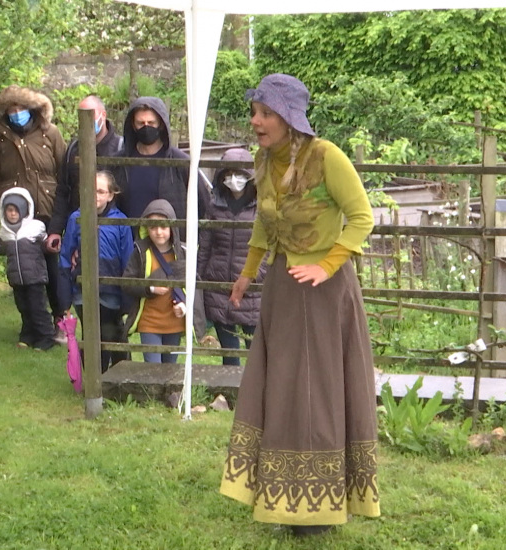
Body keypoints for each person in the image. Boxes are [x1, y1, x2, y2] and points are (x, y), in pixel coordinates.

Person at [219, 74, 380, 535]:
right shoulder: (264, 160)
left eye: (265, 113)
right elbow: (263, 227)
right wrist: (247, 275)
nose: (256, 121)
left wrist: (326, 267)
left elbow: (362, 217)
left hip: (325, 292)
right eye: (255, 112)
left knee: (318, 394)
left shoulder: (326, 156)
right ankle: (284, 494)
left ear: (289, 118)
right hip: (285, 291)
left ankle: (319, 509)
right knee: (285, 390)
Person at [0, 85, 67, 342]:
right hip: (16, 216)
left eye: (21, 108)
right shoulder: (0, 139)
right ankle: (31, 325)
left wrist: (67, 214)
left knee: (53, 269)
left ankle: (60, 319)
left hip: (47, 211)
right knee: (24, 271)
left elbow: (64, 173)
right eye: (11, 109)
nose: (16, 113)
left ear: (32, 108)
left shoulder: (50, 133)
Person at [59, 171, 133, 371]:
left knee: (112, 333)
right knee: (90, 335)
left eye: (100, 191)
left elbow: (128, 262)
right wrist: (65, 298)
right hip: (83, 291)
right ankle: (95, 379)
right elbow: (65, 258)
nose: (95, 196)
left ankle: (118, 377)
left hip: (112, 293)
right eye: (91, 190)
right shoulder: (76, 218)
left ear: (111, 195)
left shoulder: (121, 222)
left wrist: (127, 299)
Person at [197, 148, 265, 366]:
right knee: (229, 351)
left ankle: (258, 394)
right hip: (218, 287)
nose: (233, 179)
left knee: (256, 350)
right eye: (228, 174)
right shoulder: (214, 206)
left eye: (239, 174)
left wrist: (257, 275)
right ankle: (230, 393)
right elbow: (205, 245)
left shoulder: (263, 207)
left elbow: (270, 247)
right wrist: (201, 277)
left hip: (252, 288)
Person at [122, 199, 204, 364]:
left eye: (163, 226)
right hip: (149, 321)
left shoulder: (184, 252)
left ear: (172, 227)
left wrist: (184, 305)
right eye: (153, 227)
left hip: (174, 321)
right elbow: (127, 283)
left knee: (169, 370)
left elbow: (193, 286)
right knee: (153, 370)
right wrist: (150, 288)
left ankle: (170, 392)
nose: (158, 232)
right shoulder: (140, 251)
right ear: (146, 228)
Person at [114, 96, 210, 225]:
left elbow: (203, 204)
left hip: (169, 243)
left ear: (161, 124)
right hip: (126, 242)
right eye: (140, 123)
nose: (146, 127)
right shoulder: (118, 163)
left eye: (151, 123)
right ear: (133, 125)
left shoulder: (181, 163)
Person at [46, 95, 123, 253]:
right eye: (82, 114)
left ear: (103, 115)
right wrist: (55, 230)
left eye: (90, 114)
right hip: (77, 230)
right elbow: (63, 191)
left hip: (112, 233)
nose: (86, 120)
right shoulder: (73, 149)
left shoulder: (121, 148)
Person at [0, 187, 57, 351]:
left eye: (16, 210)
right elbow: (2, 249)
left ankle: (46, 337)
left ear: (24, 210)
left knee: (37, 308)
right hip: (16, 279)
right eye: (9, 210)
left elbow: (45, 245)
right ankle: (27, 335)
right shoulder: (4, 232)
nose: (12, 214)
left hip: (35, 277)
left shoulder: (35, 227)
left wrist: (51, 245)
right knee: (24, 308)